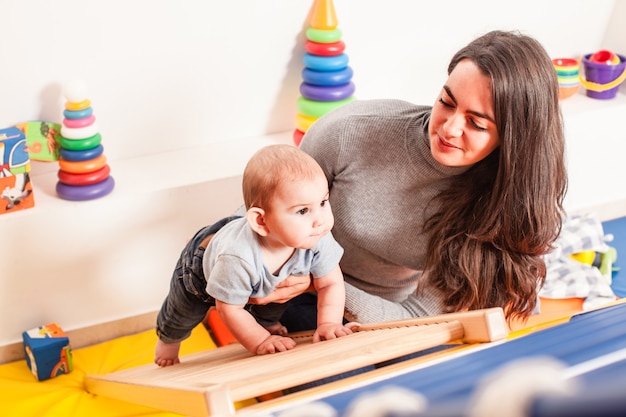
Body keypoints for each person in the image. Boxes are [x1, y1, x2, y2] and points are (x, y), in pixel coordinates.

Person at [269, 29, 568, 331]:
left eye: (476, 123)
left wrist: (323, 285)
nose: (449, 129)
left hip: (384, 309)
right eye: (447, 102)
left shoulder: (500, 204)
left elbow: (416, 315)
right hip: (290, 281)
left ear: (512, 138)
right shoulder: (349, 132)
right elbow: (269, 209)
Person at [154, 144, 355, 367]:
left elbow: (330, 284)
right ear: (261, 221)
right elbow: (229, 309)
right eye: (302, 211)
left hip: (261, 271)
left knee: (276, 300)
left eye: (323, 202)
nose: (320, 219)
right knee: (183, 313)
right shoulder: (237, 258)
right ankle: (167, 342)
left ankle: (267, 323)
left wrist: (328, 323)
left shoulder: (316, 236)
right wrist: (261, 342)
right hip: (199, 271)